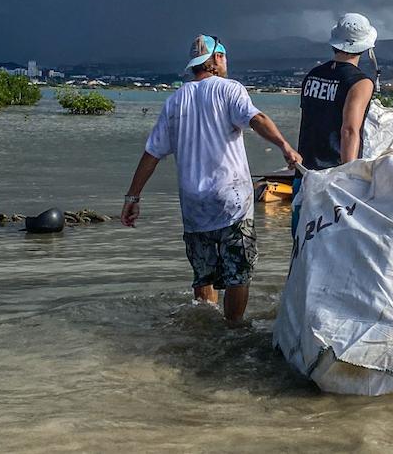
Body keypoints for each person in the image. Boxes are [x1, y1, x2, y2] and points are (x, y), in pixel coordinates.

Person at [121, 34, 301, 323]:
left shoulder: (174, 100)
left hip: (194, 206)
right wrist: (284, 146)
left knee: (203, 276)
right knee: (238, 274)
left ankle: (206, 331)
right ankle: (231, 332)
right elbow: (257, 119)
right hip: (232, 202)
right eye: (225, 57)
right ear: (217, 58)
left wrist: (132, 197)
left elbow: (151, 154)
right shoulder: (230, 89)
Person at [292, 13, 377, 236]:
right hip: (334, 178)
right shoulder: (360, 82)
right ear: (366, 47)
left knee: (301, 249)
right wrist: (350, 178)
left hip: (304, 175)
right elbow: (349, 130)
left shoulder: (312, 75)